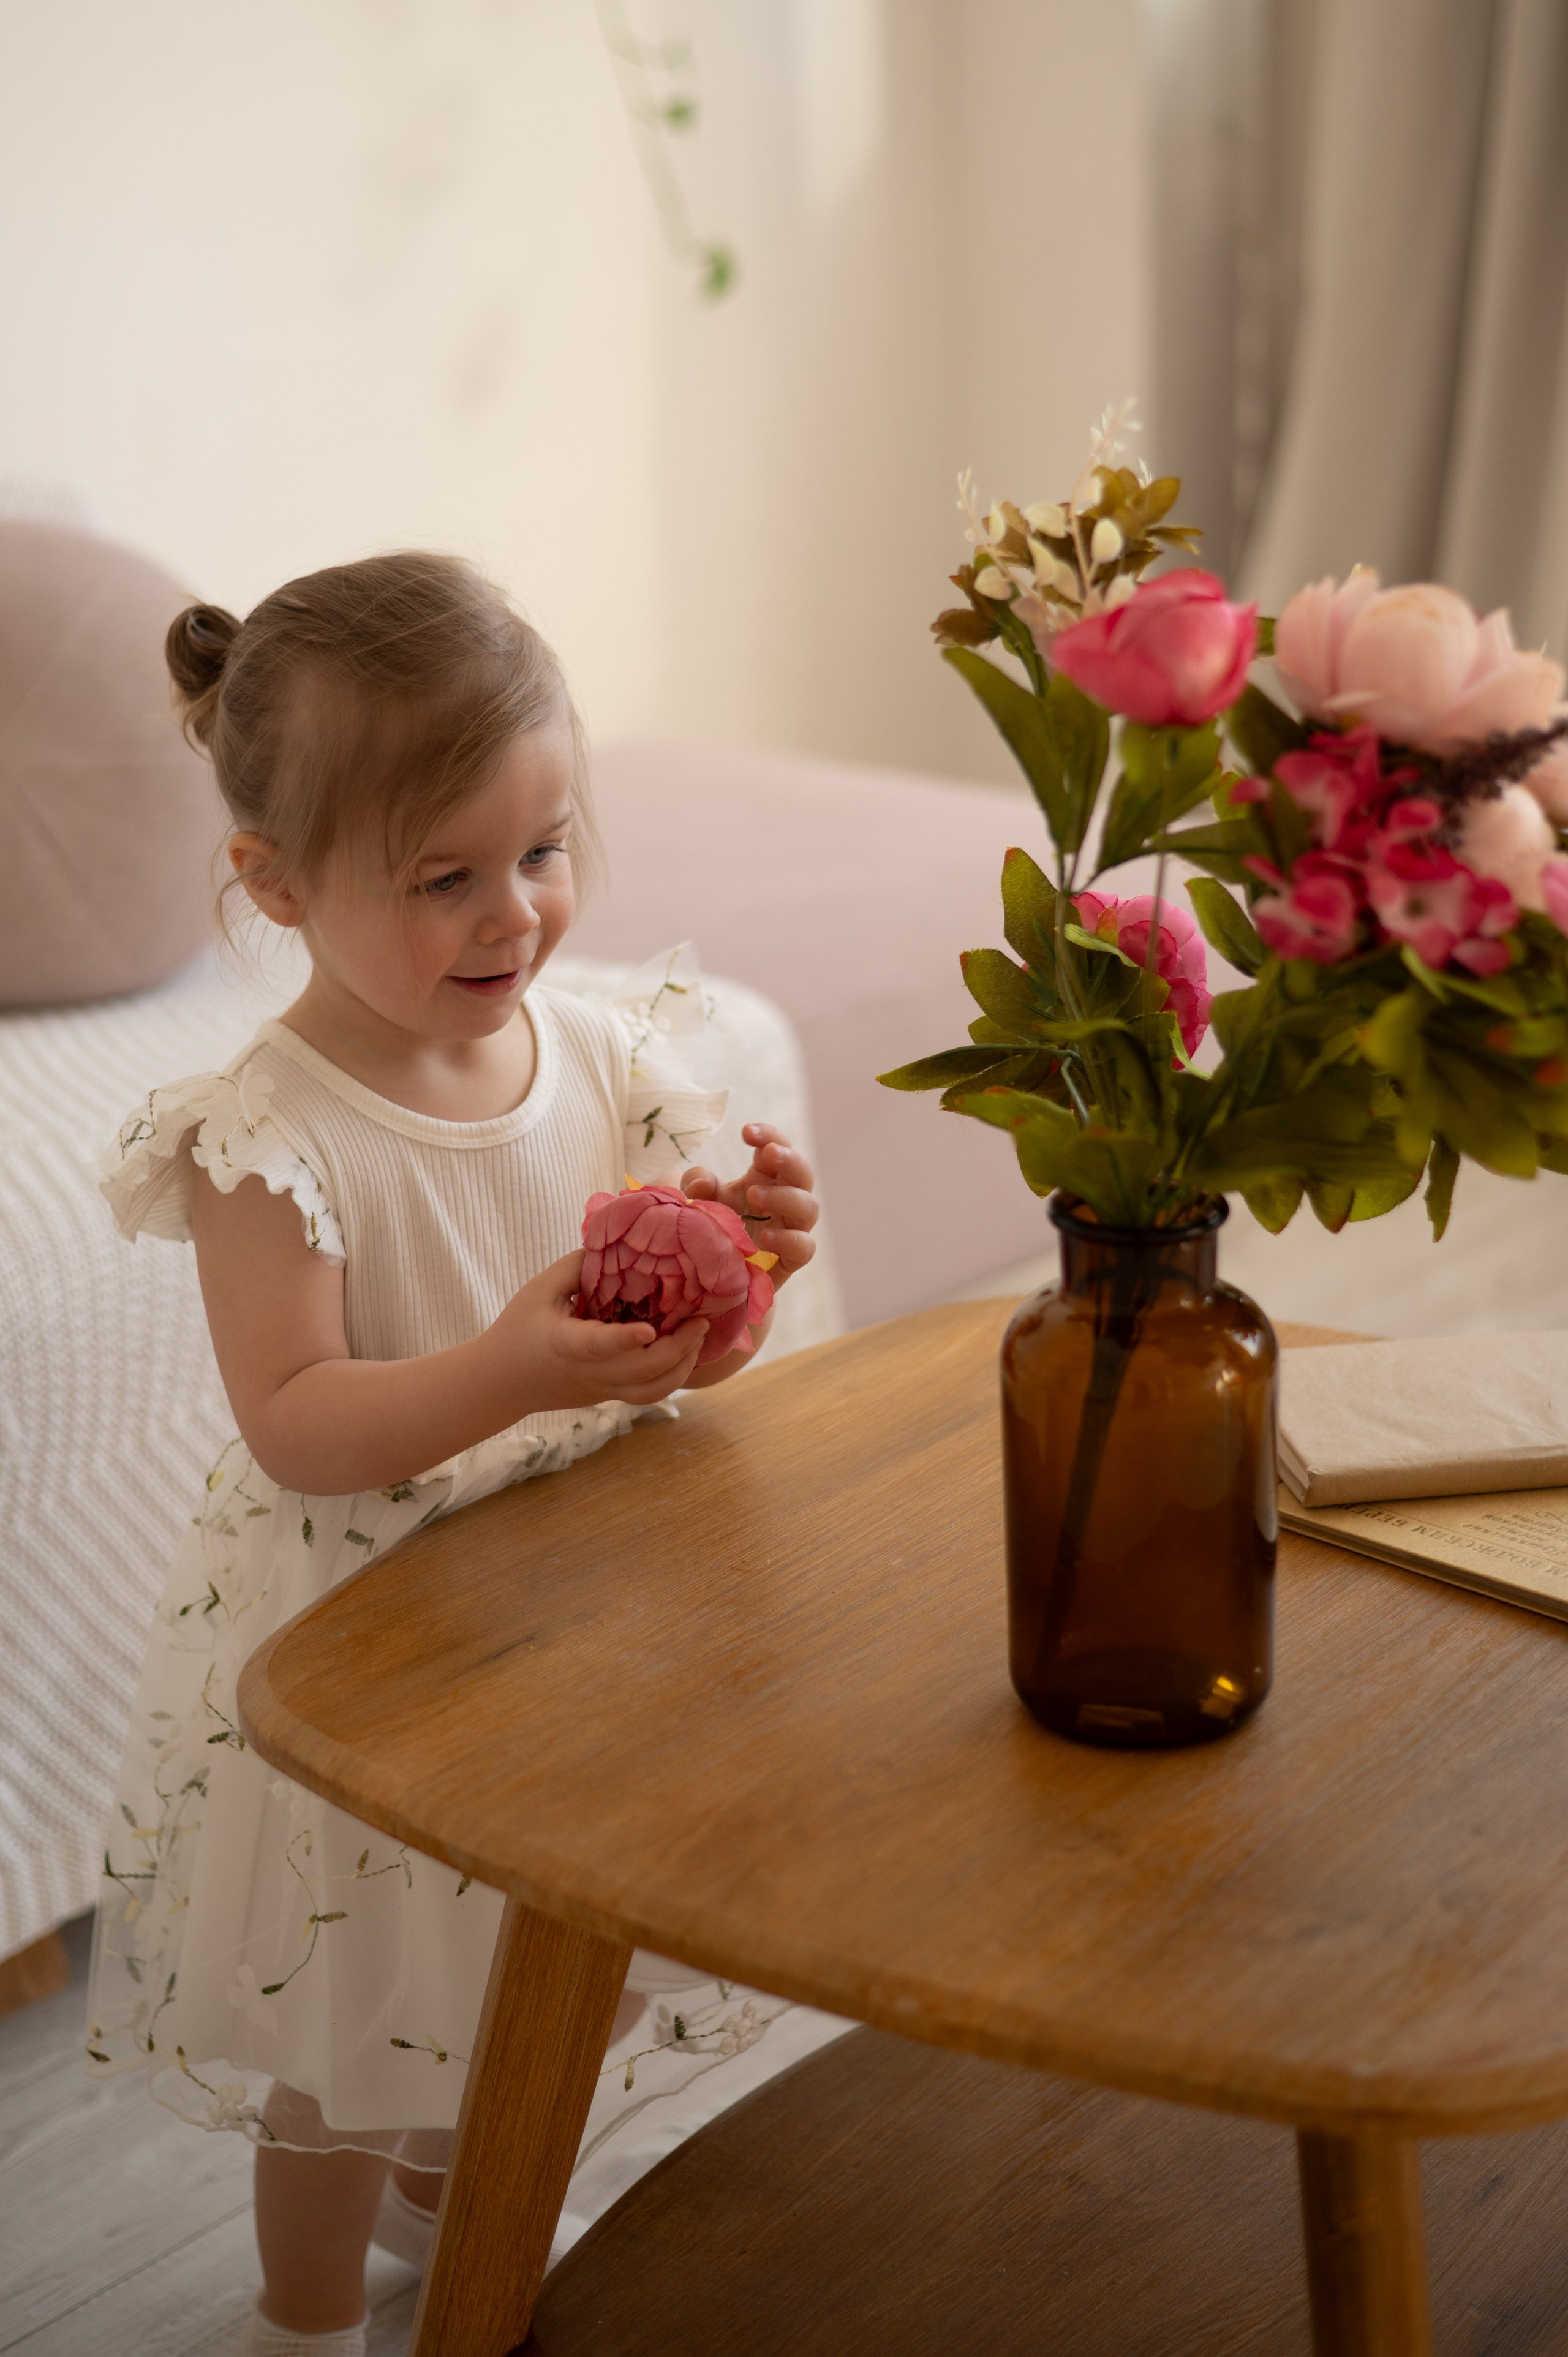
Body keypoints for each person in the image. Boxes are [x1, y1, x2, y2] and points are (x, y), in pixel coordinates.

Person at [85, 553, 820, 2355]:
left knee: (538, 1967)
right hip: (374, 1635)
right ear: (275, 884)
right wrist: (504, 1361)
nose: (517, 917)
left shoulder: (599, 1051)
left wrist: (744, 1278)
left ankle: (455, 2198)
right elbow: (300, 1420)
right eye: (447, 880)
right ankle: (306, 2307)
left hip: (575, 1608)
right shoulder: (269, 1131)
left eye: (546, 850)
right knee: (352, 2020)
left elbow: (673, 1360)